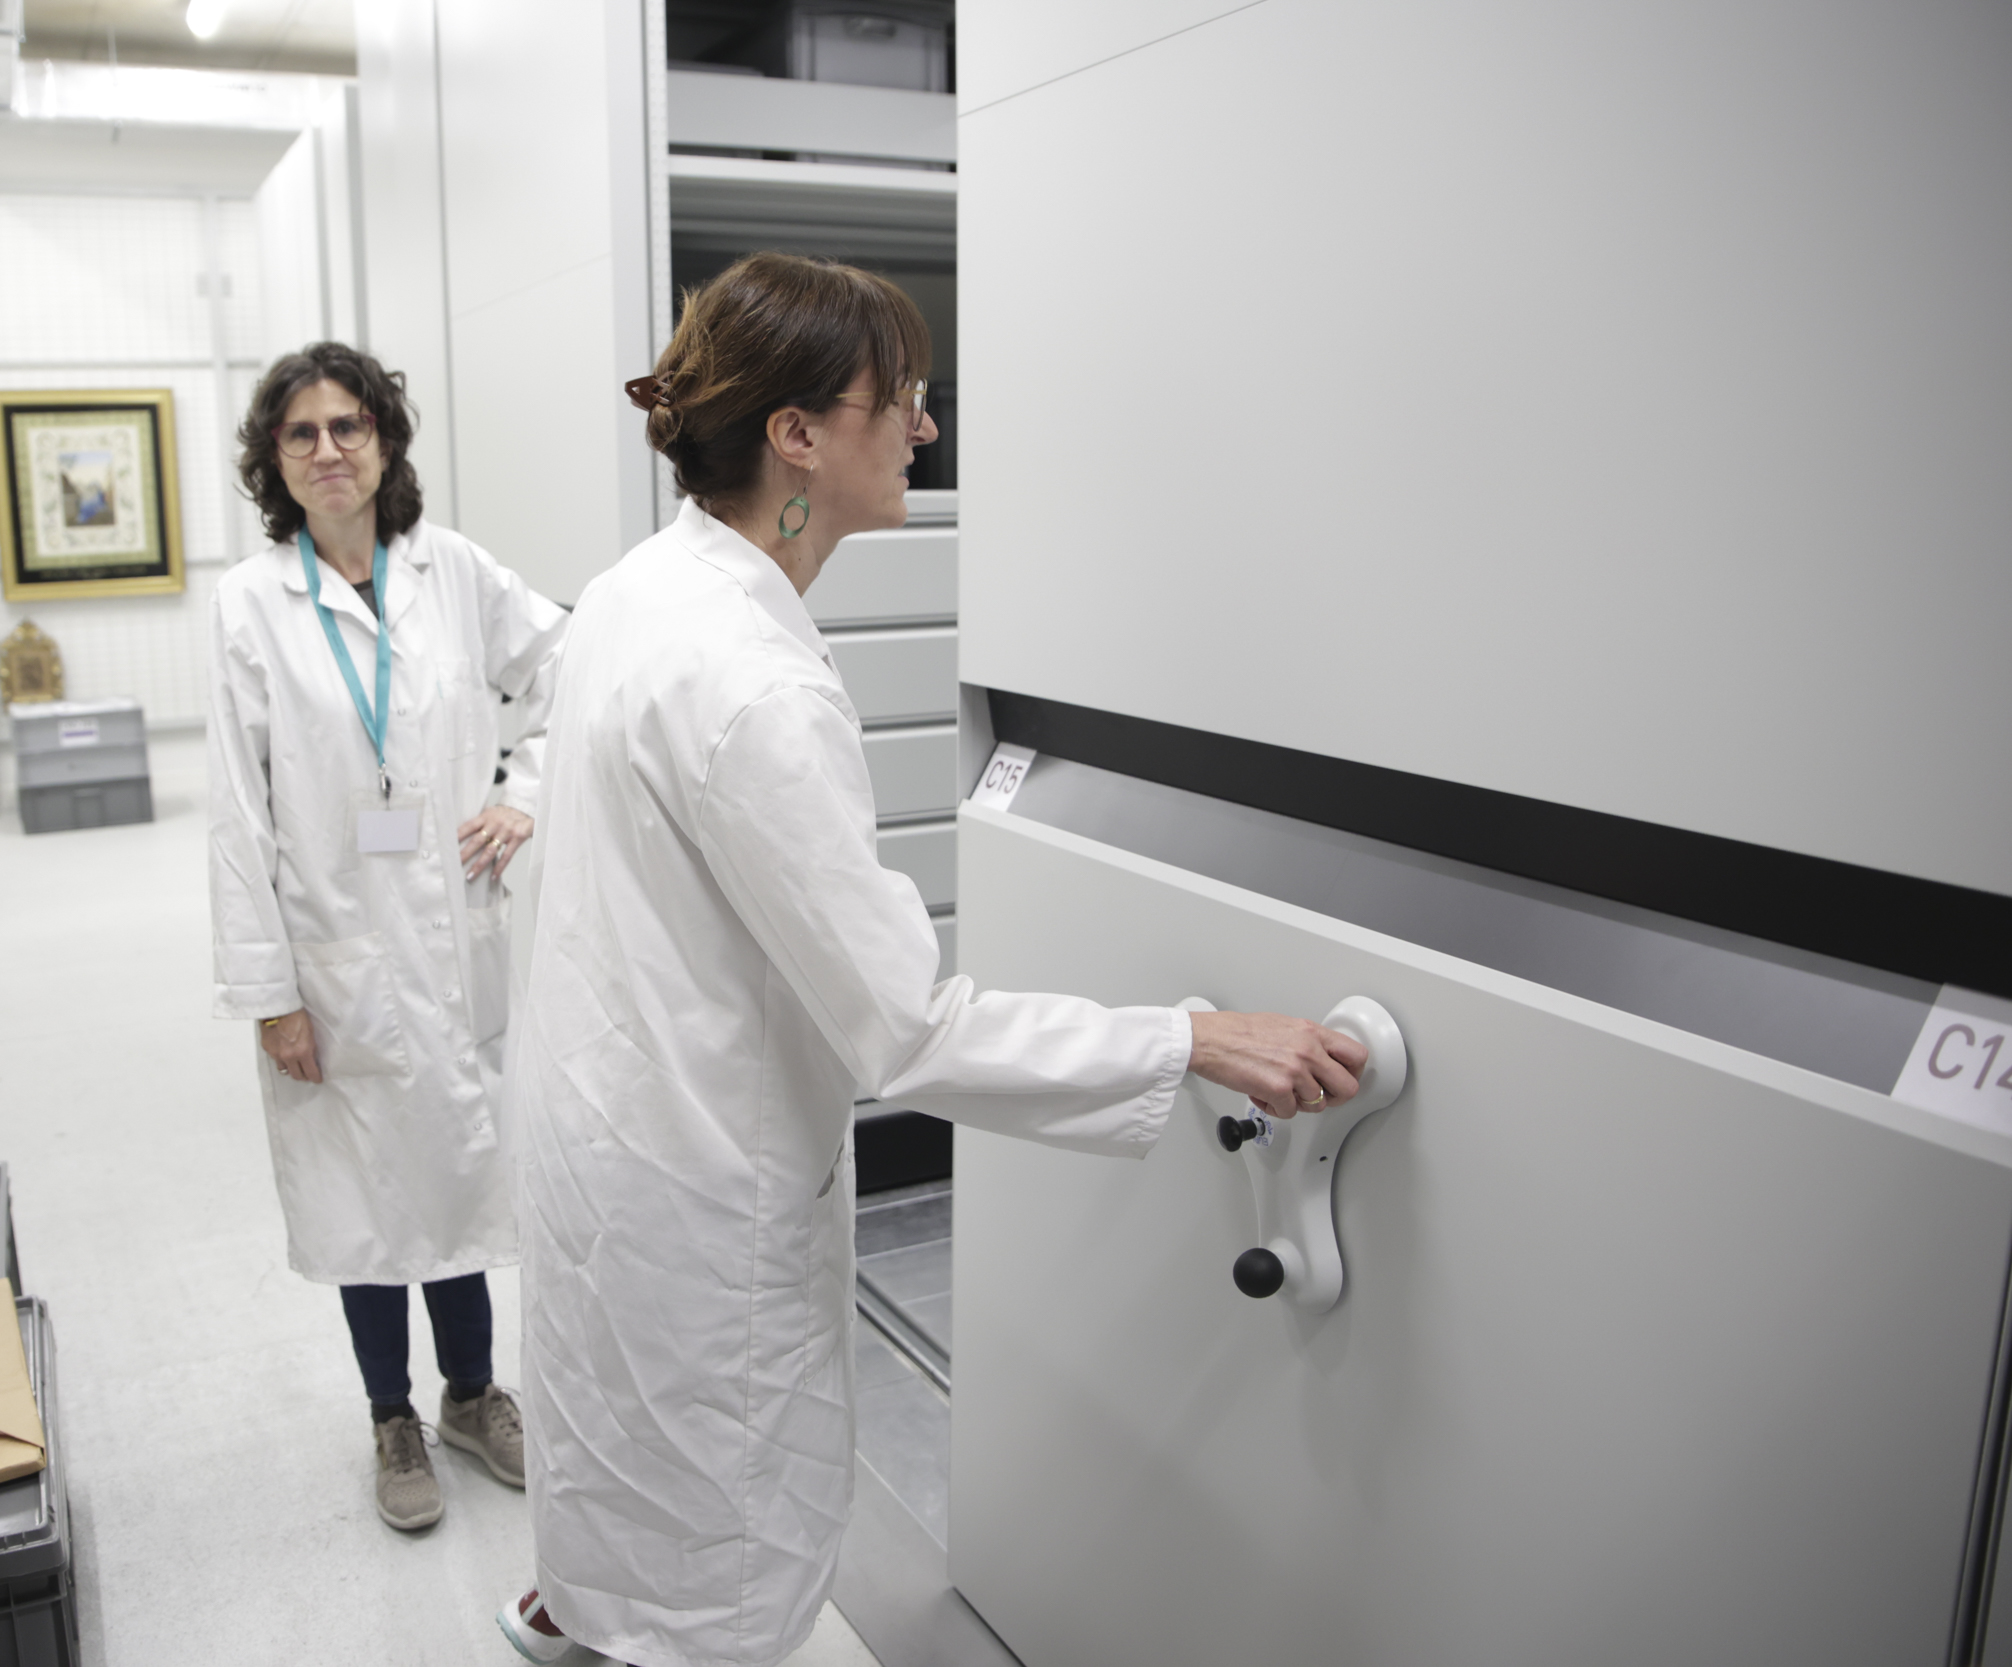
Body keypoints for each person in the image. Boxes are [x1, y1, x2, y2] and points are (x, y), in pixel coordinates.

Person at [494, 254, 1368, 1667]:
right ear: (795, 434)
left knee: (627, 1457)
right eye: (895, 398)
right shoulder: (754, 684)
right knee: (717, 1551)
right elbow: (906, 1030)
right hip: (692, 1170)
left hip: (607, 1130)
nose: (924, 426)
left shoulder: (638, 587)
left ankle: (590, 1610)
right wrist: (1192, 1037)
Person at [207, 342, 568, 1533]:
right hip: (332, 946)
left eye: (349, 426)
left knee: (455, 1174)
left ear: (385, 441)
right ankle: (390, 1414)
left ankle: (470, 1393)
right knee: (362, 1195)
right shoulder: (251, 603)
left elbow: (565, 666)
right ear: (274, 459)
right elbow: (236, 810)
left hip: (452, 938)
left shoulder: (449, 569)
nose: (328, 450)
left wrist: (526, 791)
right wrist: (269, 993)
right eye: (301, 433)